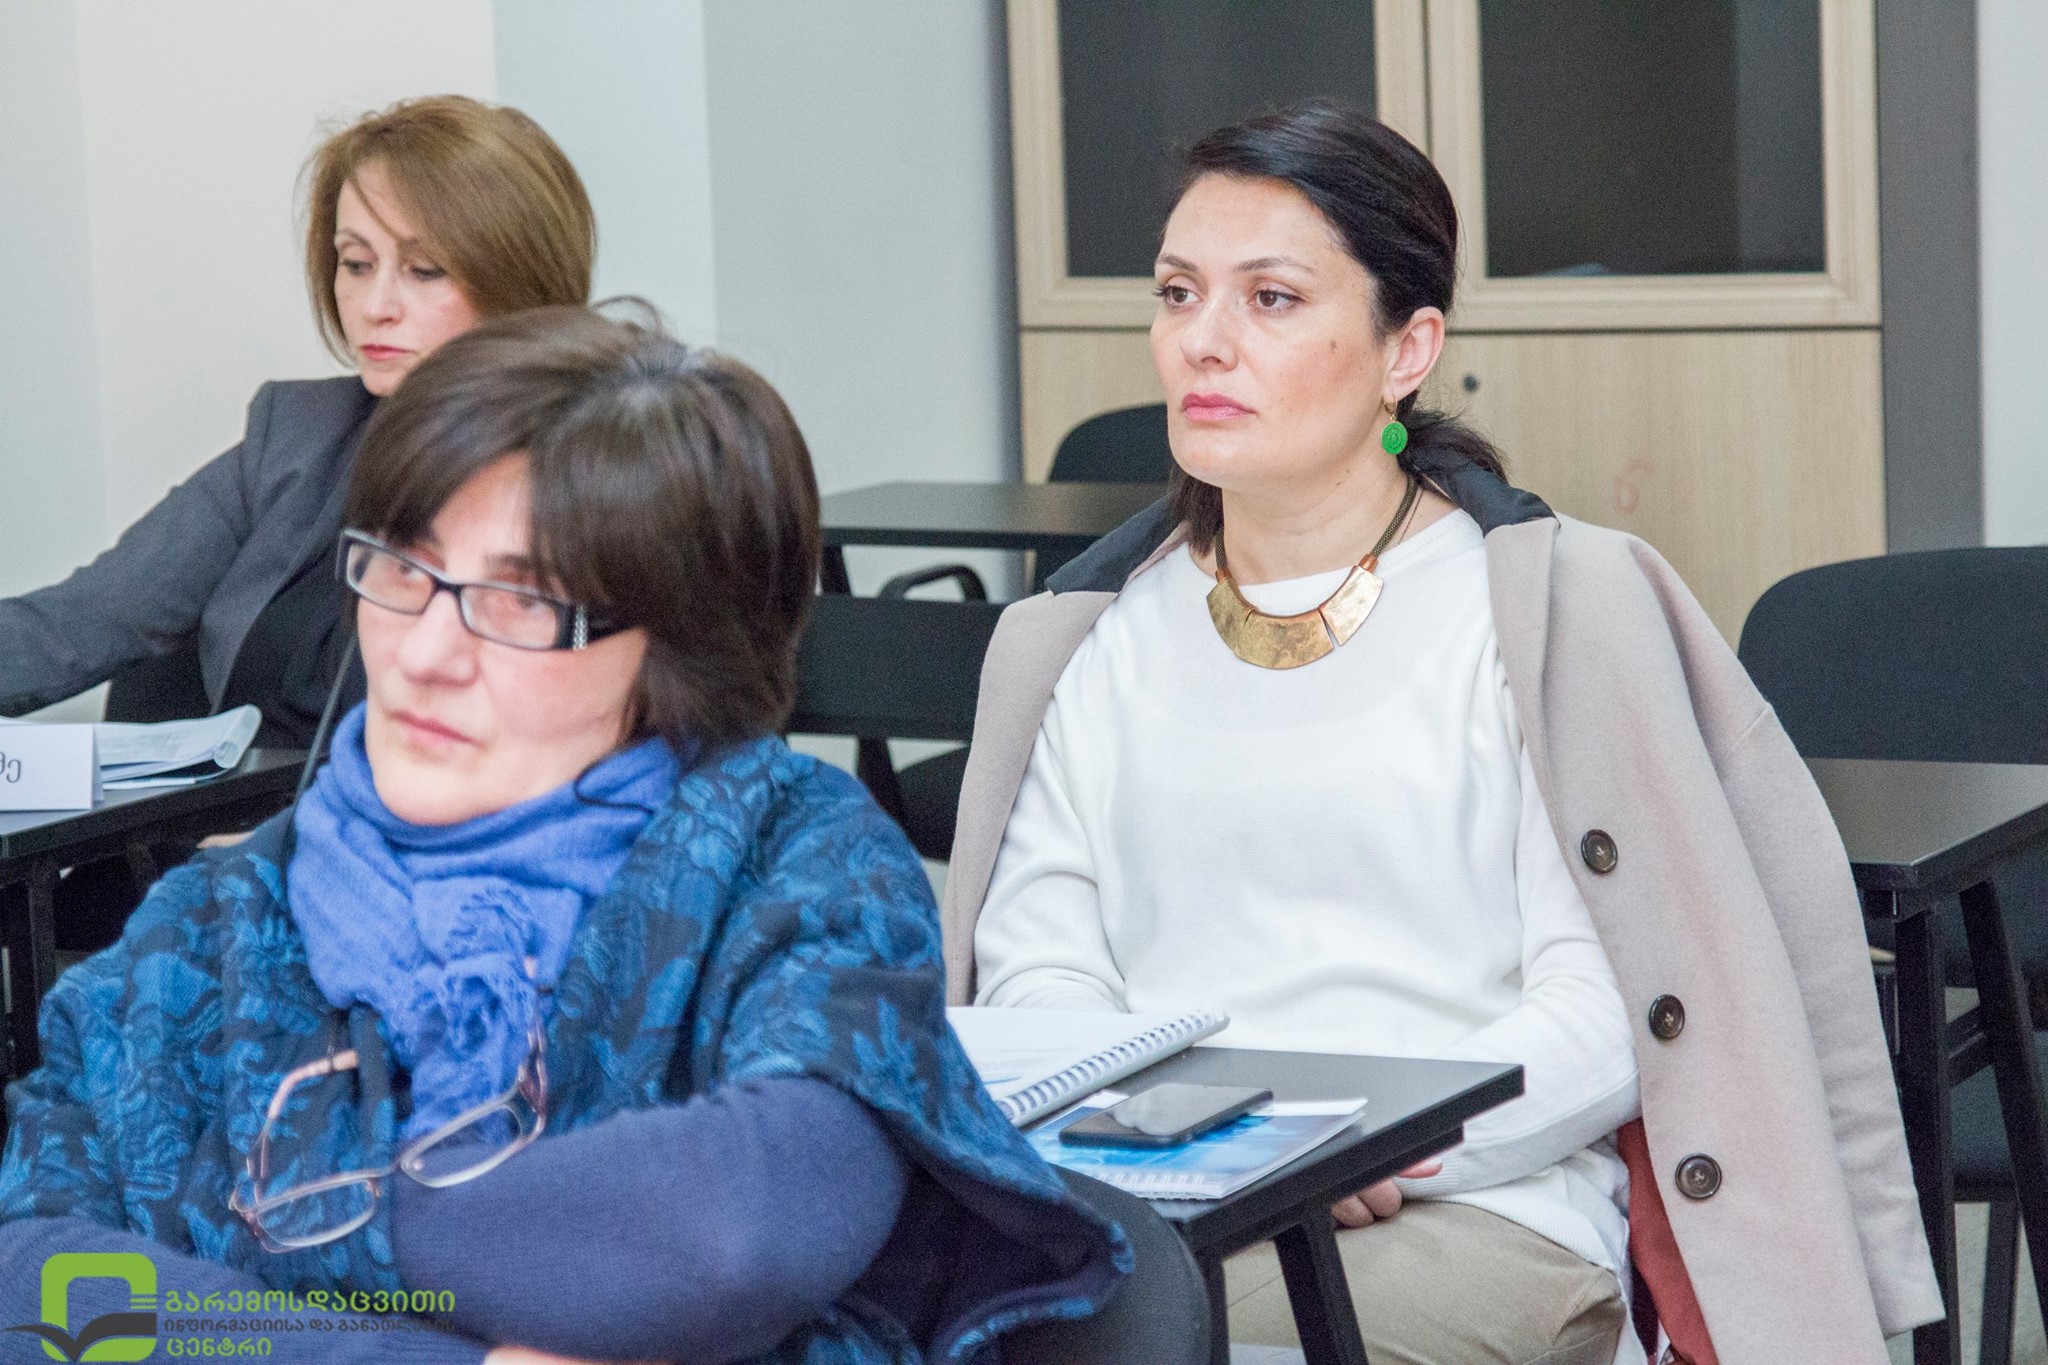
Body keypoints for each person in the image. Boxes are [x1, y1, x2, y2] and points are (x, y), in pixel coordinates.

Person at [946, 101, 1939, 1364]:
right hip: (1163, 1193)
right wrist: (1189, 1147)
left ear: (1405, 348)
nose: (1201, 340)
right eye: (1178, 293)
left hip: (1478, 1196)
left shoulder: (1539, 612)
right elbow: (1040, 973)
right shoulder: (1085, 638)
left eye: (1269, 299)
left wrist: (1360, 1145)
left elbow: (1607, 1003)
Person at [0, 306, 1125, 1364]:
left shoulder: (788, 861)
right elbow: (32, 1277)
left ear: (680, 645)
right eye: (402, 568)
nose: (423, 653)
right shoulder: (218, 918)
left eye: (521, 603)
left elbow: (730, 1232)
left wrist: (264, 1235)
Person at [0, 94, 594, 747]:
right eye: (356, 264)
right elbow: (74, 623)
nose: (375, 305)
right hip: (237, 810)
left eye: (424, 270)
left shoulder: (599, 473)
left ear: (522, 283)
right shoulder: (297, 436)